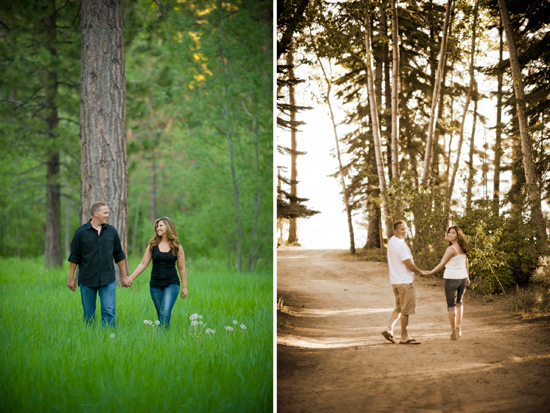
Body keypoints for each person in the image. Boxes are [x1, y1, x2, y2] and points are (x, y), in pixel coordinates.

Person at [67, 201, 132, 329]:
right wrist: (71, 277)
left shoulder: (111, 232)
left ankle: (108, 340)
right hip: (87, 280)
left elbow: (119, 255)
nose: (108, 215)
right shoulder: (80, 233)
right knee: (88, 315)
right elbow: (74, 257)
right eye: (105, 213)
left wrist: (124, 276)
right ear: (96, 214)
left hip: (108, 280)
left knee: (109, 312)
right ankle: (91, 341)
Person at [129, 217, 188, 328]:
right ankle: (163, 341)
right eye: (157, 226)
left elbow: (182, 268)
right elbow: (142, 264)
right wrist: (131, 278)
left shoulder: (177, 247)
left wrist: (184, 287)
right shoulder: (152, 246)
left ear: (168, 227)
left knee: (165, 313)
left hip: (171, 284)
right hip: (155, 285)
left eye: (161, 225)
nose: (158, 228)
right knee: (161, 315)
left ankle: (161, 338)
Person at [382, 220, 427, 345]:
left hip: (395, 282)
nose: (405, 231)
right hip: (404, 283)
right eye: (402, 229)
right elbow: (409, 265)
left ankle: (389, 329)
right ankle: (404, 336)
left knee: (399, 308)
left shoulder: (392, 241)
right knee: (405, 311)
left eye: (406, 228)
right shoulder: (401, 246)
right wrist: (420, 272)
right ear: (395, 231)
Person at [425, 225, 470, 340]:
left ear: (458, 235)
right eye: (449, 233)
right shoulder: (463, 246)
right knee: (459, 303)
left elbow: (441, 264)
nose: (450, 235)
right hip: (463, 278)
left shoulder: (451, 249)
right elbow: (466, 263)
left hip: (452, 279)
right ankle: (459, 327)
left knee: (451, 305)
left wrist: (430, 273)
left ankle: (454, 330)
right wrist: (468, 277)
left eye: (453, 233)